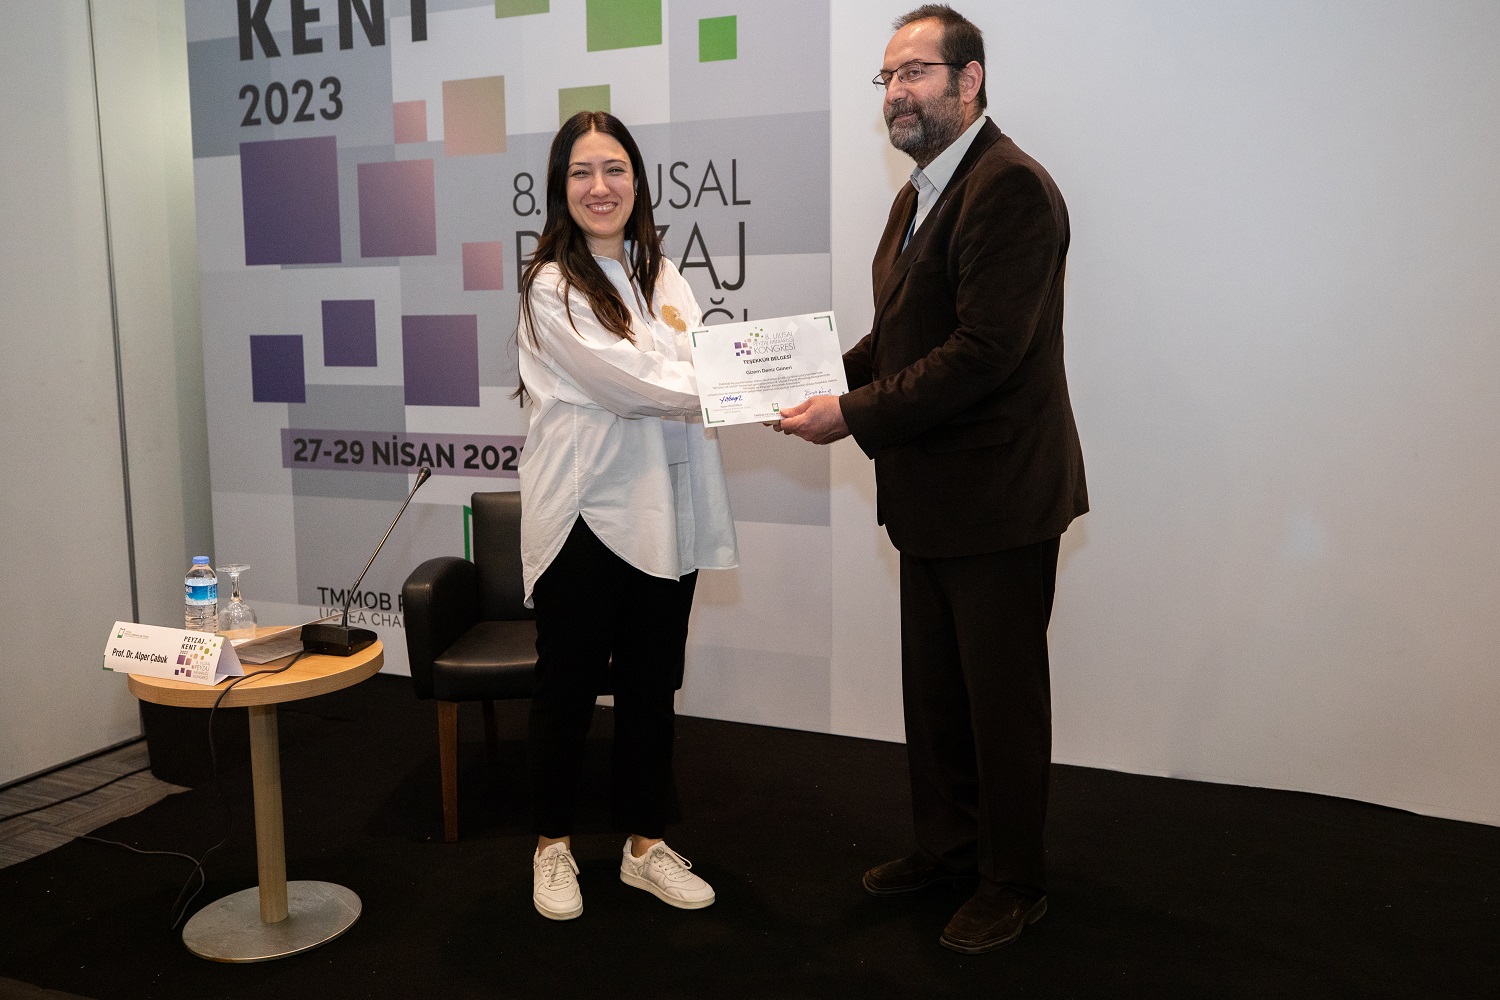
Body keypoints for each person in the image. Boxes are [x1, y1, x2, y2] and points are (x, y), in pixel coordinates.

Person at [777, 6, 1087, 954]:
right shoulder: (919, 195)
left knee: (1001, 707)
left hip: (999, 501)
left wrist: (851, 414)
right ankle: (950, 853)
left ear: (969, 79)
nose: (897, 93)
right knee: (940, 698)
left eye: (915, 72)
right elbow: (903, 338)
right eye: (888, 78)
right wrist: (812, 382)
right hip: (933, 500)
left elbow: (982, 353)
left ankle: (1012, 880)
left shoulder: (1010, 188)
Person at [515, 111, 738, 921]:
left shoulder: (664, 275)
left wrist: (724, 378)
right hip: (583, 513)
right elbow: (632, 383)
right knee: (567, 690)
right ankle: (552, 846)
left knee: (652, 685)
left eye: (614, 169)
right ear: (560, 188)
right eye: (581, 172)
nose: (599, 187)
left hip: (663, 513)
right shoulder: (550, 287)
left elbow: (693, 360)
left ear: (637, 182)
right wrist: (735, 387)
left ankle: (645, 846)